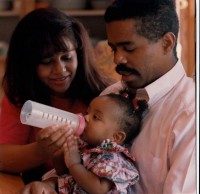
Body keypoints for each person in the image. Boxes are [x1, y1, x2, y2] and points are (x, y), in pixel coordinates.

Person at [0, 7, 113, 184]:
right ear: (28, 65)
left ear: (79, 54)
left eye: (67, 57)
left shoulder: (106, 96)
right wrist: (40, 151)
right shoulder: (21, 96)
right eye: (46, 62)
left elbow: (117, 155)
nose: (60, 70)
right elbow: (3, 156)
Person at [101, 0, 196, 193]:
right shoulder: (110, 95)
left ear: (167, 43)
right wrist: (49, 183)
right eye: (114, 49)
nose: (117, 59)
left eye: (129, 48)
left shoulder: (190, 114)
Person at [20, 93, 148, 194]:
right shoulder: (85, 145)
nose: (85, 117)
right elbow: (63, 173)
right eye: (87, 112)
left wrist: (74, 164)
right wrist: (58, 153)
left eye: (95, 117)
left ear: (116, 137)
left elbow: (99, 189)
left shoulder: (113, 158)